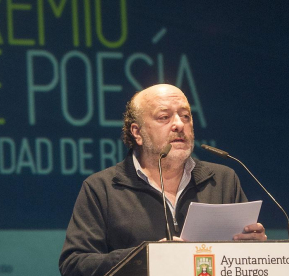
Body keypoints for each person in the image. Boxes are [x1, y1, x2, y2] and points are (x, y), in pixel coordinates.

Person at [59, 84, 267, 276]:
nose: (179, 124)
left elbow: (242, 258)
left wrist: (254, 247)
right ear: (137, 133)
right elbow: (74, 264)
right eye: (164, 117)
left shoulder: (222, 180)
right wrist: (145, 257)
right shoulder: (102, 188)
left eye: (185, 116)